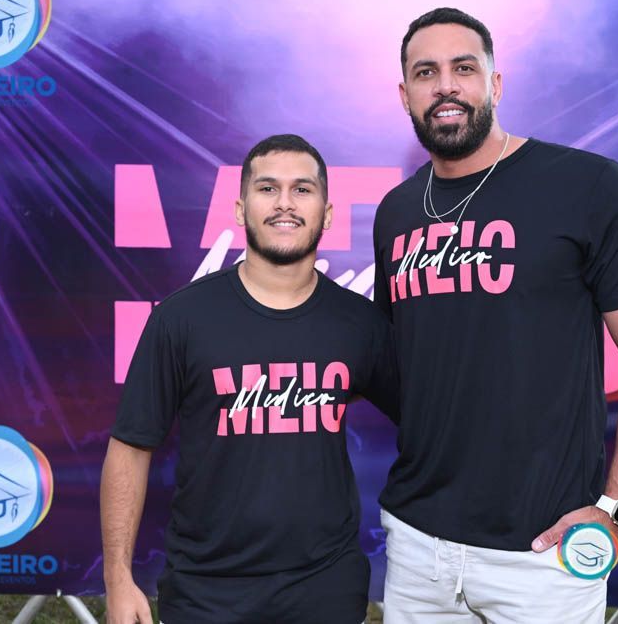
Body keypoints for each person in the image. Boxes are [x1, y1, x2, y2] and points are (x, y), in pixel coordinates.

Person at [373, 8, 618, 622]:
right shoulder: (397, 211)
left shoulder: (589, 185)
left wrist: (617, 509)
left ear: (495, 83)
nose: (446, 86)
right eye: (426, 72)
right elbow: (404, 365)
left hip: (544, 551)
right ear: (405, 94)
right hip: (417, 545)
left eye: (464, 68)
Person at [101, 134, 399, 624]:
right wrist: (117, 578)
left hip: (324, 590)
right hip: (206, 593)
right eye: (267, 188)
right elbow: (130, 448)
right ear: (240, 210)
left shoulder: (360, 324)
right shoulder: (181, 319)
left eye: (302, 189)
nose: (285, 203)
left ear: (327, 214)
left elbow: (433, 421)